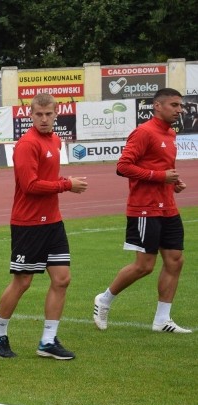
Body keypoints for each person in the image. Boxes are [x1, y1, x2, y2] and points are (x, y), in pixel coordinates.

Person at [0, 92, 88, 360]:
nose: (44, 119)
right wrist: (66, 185)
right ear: (30, 115)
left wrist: (64, 180)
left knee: (62, 279)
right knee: (22, 281)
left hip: (53, 222)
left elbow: (47, 177)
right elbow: (30, 185)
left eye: (48, 114)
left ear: (56, 114)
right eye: (38, 115)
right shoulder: (27, 144)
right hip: (28, 223)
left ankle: (48, 341)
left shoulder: (55, 140)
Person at [93, 88, 190, 333]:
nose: (179, 110)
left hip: (168, 206)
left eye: (180, 106)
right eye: (174, 105)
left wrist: (173, 182)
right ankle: (104, 299)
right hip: (144, 209)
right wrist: (160, 176)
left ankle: (162, 320)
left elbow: (163, 166)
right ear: (158, 106)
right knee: (144, 266)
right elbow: (123, 167)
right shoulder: (144, 132)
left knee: (175, 261)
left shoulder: (170, 134)